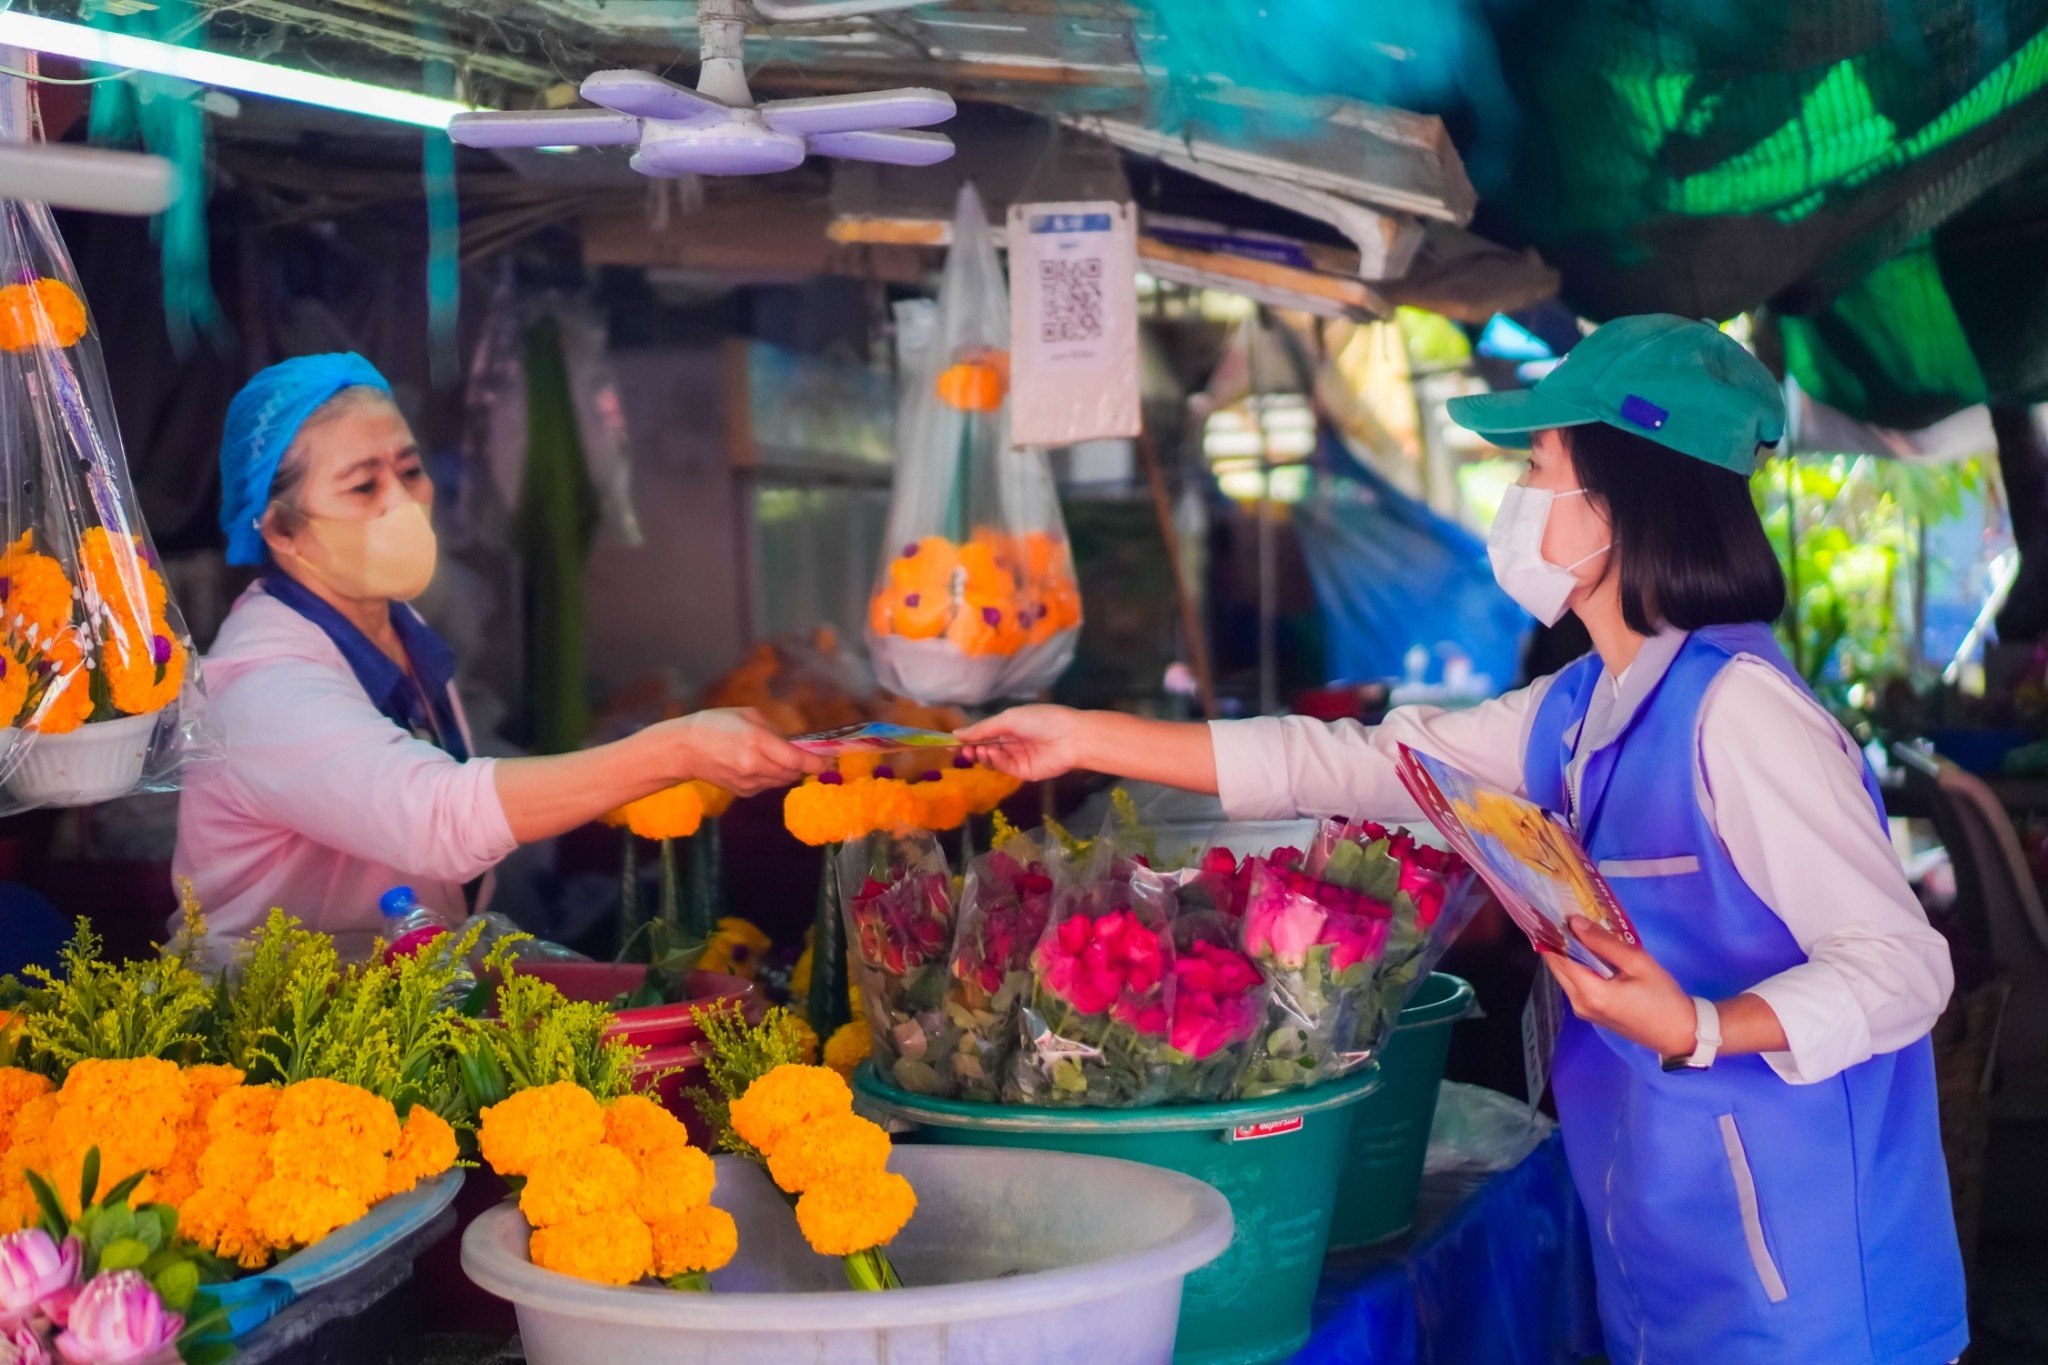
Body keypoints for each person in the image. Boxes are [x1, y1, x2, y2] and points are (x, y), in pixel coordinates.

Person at [962, 316, 1968, 1363]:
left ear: (1620, 498)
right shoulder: (1582, 707)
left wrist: (1702, 1027)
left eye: (1536, 464)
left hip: (1810, 1291)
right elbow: (1352, 762)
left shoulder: (1743, 714)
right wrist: (1082, 735)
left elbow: (1902, 968)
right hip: (1668, 1258)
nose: (1516, 496)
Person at [173, 353, 822, 963]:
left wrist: (630, 771)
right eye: (363, 486)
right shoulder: (266, 688)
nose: (403, 502)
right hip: (268, 1036)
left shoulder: (397, 629)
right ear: (282, 528)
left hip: (391, 1004)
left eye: (409, 469)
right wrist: (672, 750)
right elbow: (434, 814)